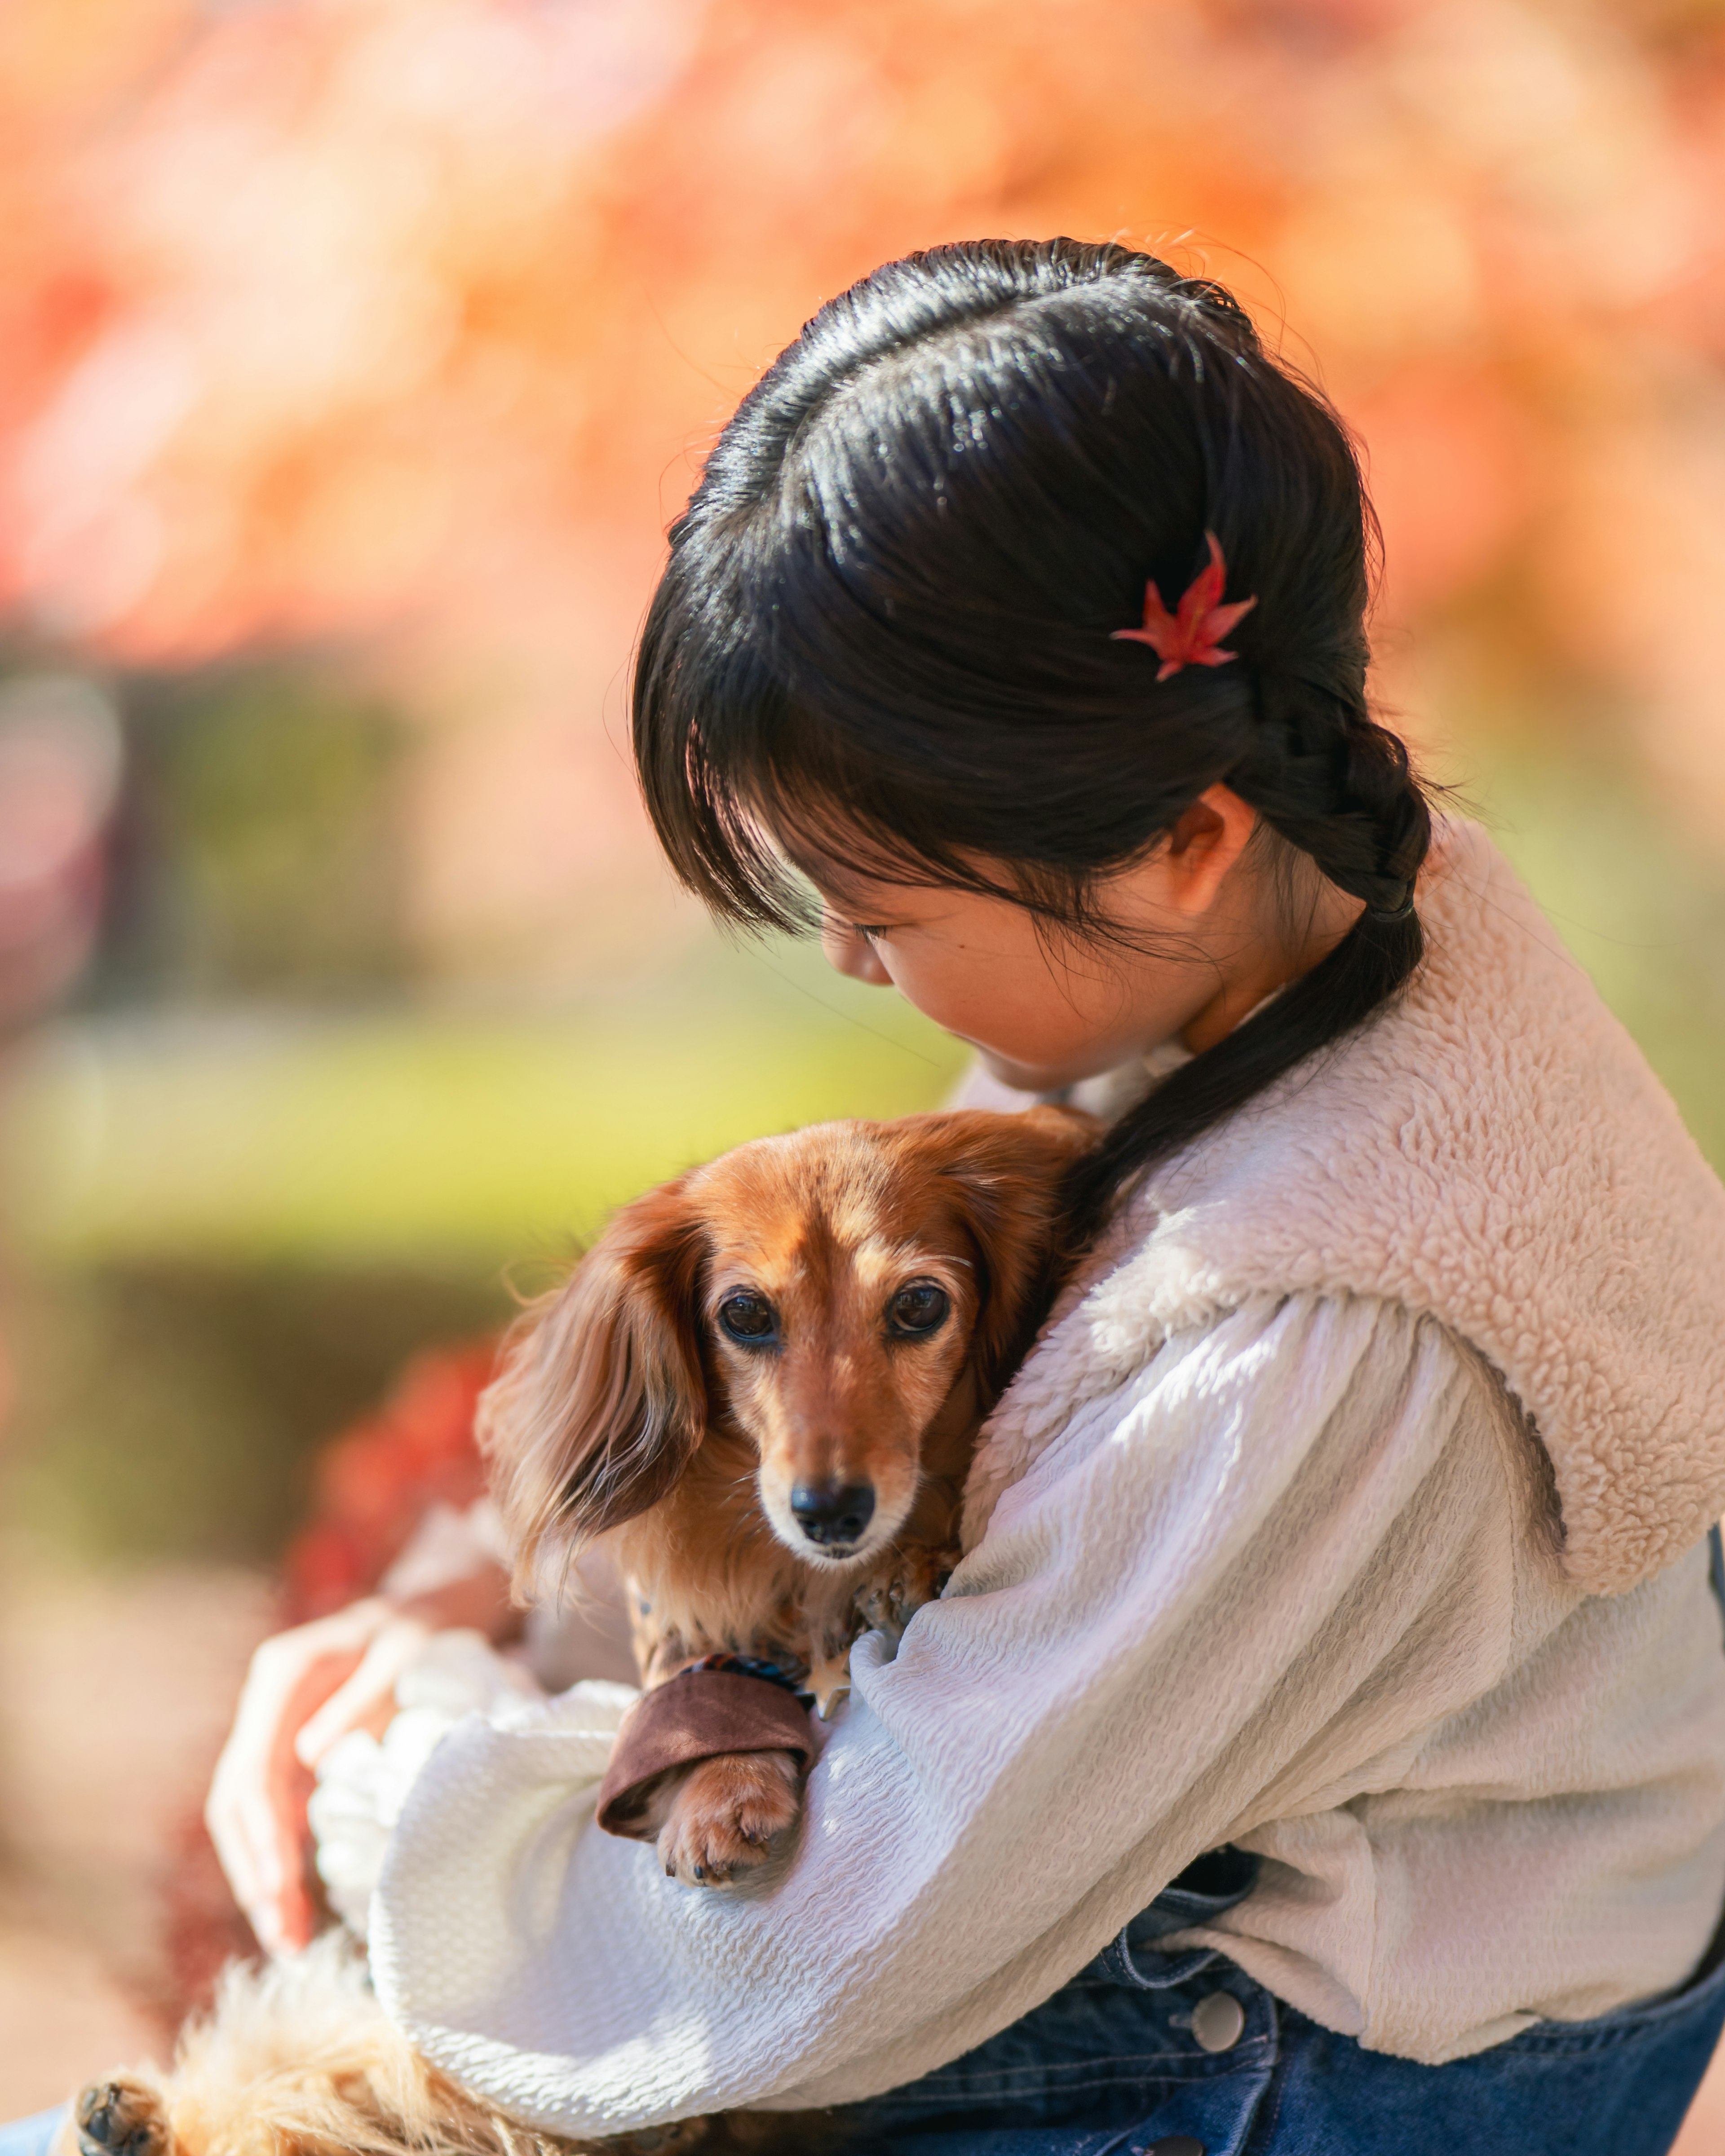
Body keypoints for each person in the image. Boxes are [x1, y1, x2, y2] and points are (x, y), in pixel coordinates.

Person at [209, 239, 1725, 2155]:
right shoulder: (1255, 971)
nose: (845, 960)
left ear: (1184, 841)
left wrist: (402, 1752)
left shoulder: (1327, 1320)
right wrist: (479, 1600)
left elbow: (795, 1967)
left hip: (1268, 2089)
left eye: (882, 908)